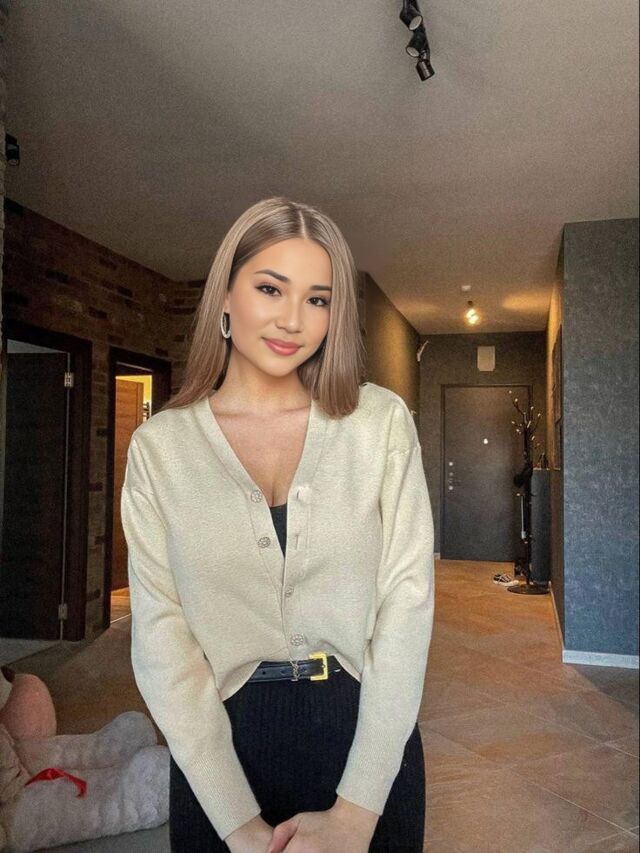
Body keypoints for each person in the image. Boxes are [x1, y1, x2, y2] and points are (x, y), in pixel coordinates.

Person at [120, 196, 435, 852]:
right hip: (221, 756)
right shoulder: (161, 449)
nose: (294, 319)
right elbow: (161, 638)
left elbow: (407, 608)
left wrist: (357, 813)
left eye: (318, 299)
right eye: (271, 288)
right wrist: (239, 826)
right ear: (225, 297)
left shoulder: (379, 425)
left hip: (368, 746)